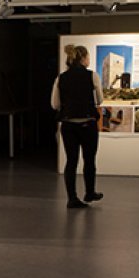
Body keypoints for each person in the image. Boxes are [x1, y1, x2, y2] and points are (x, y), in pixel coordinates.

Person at [51, 44, 104, 209]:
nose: (89, 60)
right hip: (88, 125)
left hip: (68, 126)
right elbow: (100, 100)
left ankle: (72, 198)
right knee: (89, 160)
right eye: (87, 57)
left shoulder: (61, 77)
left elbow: (54, 104)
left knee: (71, 161)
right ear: (83, 58)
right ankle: (89, 192)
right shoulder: (92, 76)